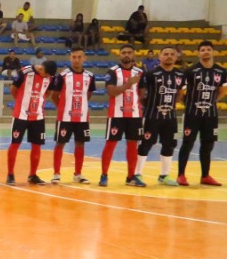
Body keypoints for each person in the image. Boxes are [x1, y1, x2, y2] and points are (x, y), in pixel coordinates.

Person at [134, 45, 187, 186]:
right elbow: (142, 95)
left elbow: (180, 94)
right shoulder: (151, 74)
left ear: (176, 57)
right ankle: (137, 174)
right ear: (160, 56)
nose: (169, 56)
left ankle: (164, 175)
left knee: (169, 145)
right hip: (152, 115)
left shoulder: (180, 75)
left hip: (170, 117)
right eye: (166, 54)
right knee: (146, 143)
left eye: (172, 54)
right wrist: (149, 106)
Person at [177, 40, 226, 186]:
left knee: (208, 144)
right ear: (198, 53)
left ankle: (205, 175)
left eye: (208, 49)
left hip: (210, 115)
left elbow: (223, 89)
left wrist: (212, 100)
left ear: (213, 52)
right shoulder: (191, 71)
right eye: (203, 50)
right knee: (188, 143)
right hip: (193, 114)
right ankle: (181, 175)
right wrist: (188, 103)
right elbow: (180, 92)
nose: (206, 52)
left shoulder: (221, 71)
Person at [97, 43, 145, 187]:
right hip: (116, 114)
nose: (126, 55)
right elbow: (111, 92)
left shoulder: (139, 72)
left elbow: (142, 93)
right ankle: (104, 175)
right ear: (120, 54)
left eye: (129, 52)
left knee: (132, 145)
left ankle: (131, 177)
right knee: (110, 144)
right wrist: (128, 84)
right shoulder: (112, 72)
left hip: (135, 114)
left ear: (134, 54)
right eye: (124, 52)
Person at [5, 58, 57, 185]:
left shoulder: (50, 78)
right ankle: (10, 174)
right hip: (21, 115)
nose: (47, 77)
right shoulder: (25, 72)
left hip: (38, 116)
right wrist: (21, 103)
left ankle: (33, 174)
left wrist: (39, 102)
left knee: (37, 145)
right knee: (15, 143)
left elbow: (48, 92)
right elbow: (13, 89)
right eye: (46, 74)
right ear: (42, 68)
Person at [50, 48, 96, 184]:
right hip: (65, 117)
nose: (76, 60)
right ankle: (56, 174)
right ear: (70, 58)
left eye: (79, 57)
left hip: (82, 118)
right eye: (74, 57)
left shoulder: (90, 76)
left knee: (80, 144)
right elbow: (54, 96)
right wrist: (63, 109)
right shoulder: (62, 76)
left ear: (84, 58)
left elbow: (88, 95)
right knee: (60, 143)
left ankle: (78, 174)